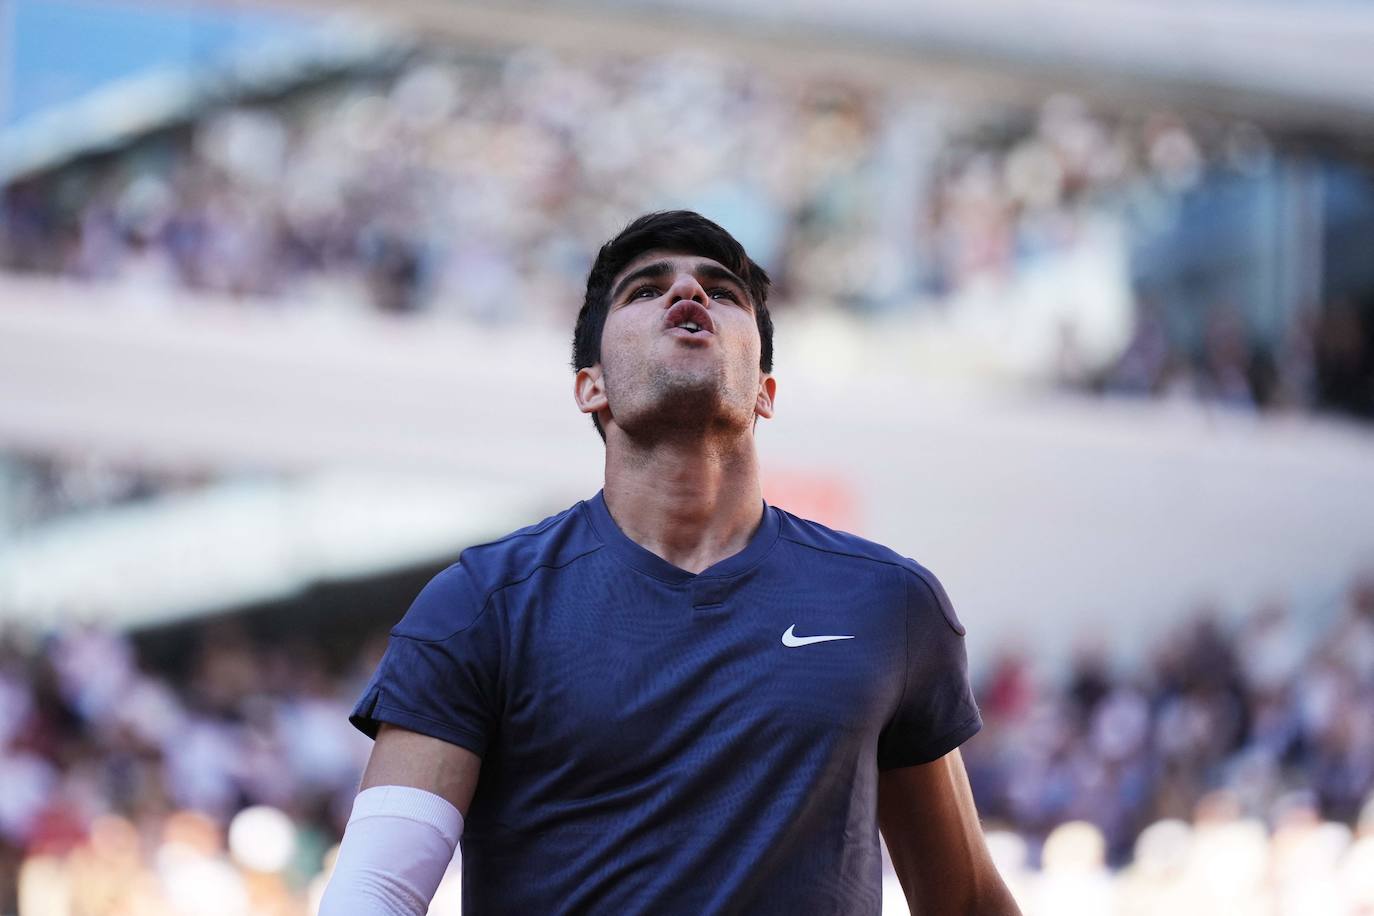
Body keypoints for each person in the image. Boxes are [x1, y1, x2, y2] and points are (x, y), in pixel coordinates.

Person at [320, 211, 1021, 915]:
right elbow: (375, 895)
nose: (688, 293)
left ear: (765, 392)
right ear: (590, 386)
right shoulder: (479, 604)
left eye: (722, 292)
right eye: (645, 290)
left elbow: (962, 901)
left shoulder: (888, 603)